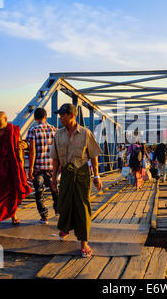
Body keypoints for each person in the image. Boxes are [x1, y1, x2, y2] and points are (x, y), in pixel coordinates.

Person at [50, 103, 103, 258]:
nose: (60, 118)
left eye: (62, 115)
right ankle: (65, 227)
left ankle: (84, 242)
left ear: (71, 115)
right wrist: (53, 178)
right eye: (59, 115)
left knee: (82, 207)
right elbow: (55, 159)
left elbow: (94, 156)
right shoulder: (58, 134)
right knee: (64, 204)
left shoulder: (86, 133)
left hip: (82, 174)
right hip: (65, 173)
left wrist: (97, 176)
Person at [26, 107, 58, 225]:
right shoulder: (55, 129)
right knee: (55, 190)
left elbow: (32, 151)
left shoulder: (33, 130)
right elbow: (58, 149)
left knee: (39, 193)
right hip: (51, 167)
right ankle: (58, 212)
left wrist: (30, 170)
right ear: (46, 117)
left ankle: (44, 217)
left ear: (35, 118)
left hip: (38, 168)